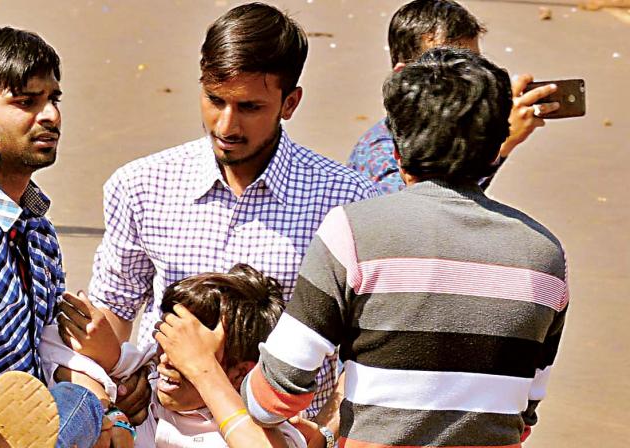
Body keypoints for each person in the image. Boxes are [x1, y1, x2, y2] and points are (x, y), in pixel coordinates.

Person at [60, 2, 379, 430]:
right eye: (215, 100)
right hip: (158, 430)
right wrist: (110, 403)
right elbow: (112, 315)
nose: (226, 125)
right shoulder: (140, 185)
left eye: (249, 107)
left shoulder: (347, 202)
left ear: (290, 103)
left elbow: (366, 349)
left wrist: (319, 434)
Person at [242, 48, 569, 447]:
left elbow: (277, 393)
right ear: (498, 144)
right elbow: (525, 413)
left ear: (396, 149)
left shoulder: (353, 231)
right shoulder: (545, 255)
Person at [0, 27, 115, 448]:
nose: (50, 116)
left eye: (53, 99)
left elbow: (47, 348)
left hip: (34, 411)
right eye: (26, 102)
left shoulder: (39, 231)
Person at [55, 264, 321, 447]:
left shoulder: (271, 435)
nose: (168, 361)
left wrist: (203, 370)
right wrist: (109, 409)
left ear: (240, 372)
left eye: (188, 354)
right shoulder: (146, 377)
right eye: (170, 341)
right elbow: (59, 353)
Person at [347, 0, 560, 193]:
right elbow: (418, 215)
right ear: (403, 76)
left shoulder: (444, 136)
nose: (470, 79)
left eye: (472, 66)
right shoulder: (381, 152)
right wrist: (502, 140)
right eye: (446, 67)